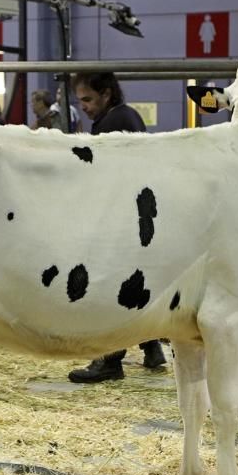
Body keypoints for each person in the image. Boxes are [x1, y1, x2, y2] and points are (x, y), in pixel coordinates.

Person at [66, 71, 166, 383]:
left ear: (106, 94)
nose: (83, 106)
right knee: (137, 282)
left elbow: (104, 174)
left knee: (111, 286)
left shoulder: (112, 123)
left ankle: (108, 360)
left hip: (121, 216)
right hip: (140, 215)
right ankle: (152, 348)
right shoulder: (127, 115)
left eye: (88, 99)